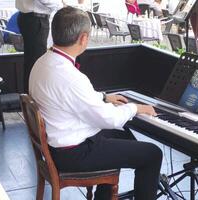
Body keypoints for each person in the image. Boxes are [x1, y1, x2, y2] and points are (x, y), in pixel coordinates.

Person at [29, 7, 162, 200]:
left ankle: (105, 196)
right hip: (73, 153)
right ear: (83, 38)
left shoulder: (42, 62)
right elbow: (109, 119)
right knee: (152, 154)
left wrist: (103, 97)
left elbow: (68, 96)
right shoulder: (72, 78)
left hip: (56, 145)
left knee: (125, 138)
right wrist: (136, 108)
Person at [16, 0, 63, 93]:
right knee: (36, 63)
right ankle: (33, 101)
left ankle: (29, 99)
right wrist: (61, 5)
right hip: (36, 19)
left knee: (31, 62)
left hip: (29, 18)